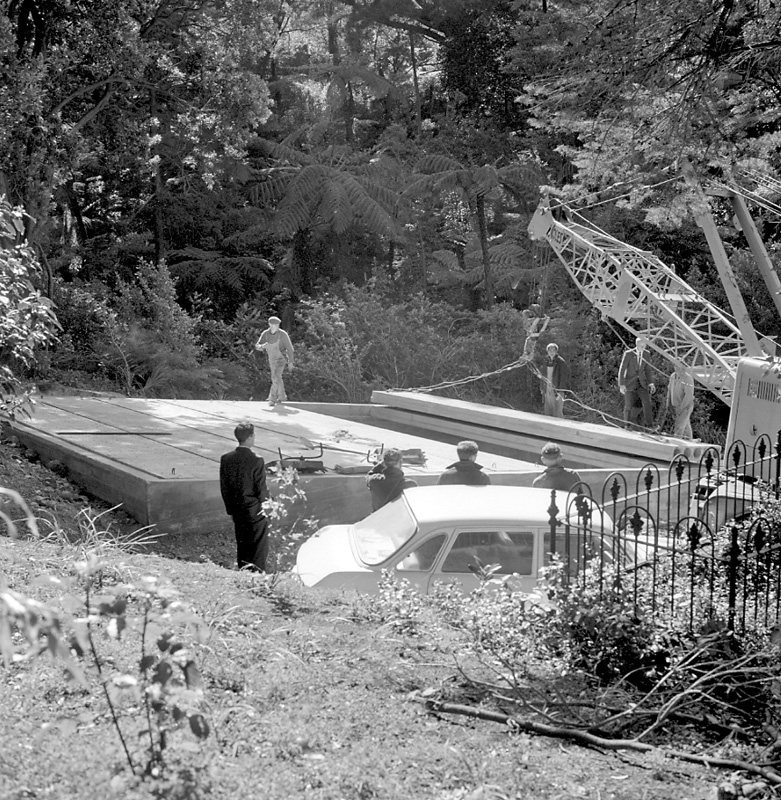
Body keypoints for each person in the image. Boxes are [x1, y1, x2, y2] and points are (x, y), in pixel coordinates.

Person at [219, 422, 270, 572]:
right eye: (253, 435)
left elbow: (225, 487)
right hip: (255, 509)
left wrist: (230, 510)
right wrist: (267, 506)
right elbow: (261, 488)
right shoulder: (257, 460)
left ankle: (243, 571)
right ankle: (258, 573)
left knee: (242, 543)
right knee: (259, 545)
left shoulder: (226, 458)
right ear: (249, 438)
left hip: (236, 508)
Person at [254, 315, 294, 406]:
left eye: (277, 325)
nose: (275, 326)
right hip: (272, 359)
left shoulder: (283, 334)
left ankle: (272, 399)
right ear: (269, 324)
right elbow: (257, 346)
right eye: (273, 324)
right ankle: (282, 396)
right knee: (277, 377)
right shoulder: (265, 334)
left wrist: (291, 361)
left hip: (281, 359)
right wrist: (261, 347)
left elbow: (290, 348)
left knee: (275, 376)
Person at [618, 335, 656, 429]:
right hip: (630, 383)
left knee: (646, 403)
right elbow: (622, 369)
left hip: (642, 383)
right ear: (637, 344)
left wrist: (651, 383)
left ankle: (649, 426)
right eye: (642, 346)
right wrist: (621, 385)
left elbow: (648, 369)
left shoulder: (647, 354)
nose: (643, 348)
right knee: (628, 405)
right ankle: (627, 425)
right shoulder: (629, 354)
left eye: (645, 346)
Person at [539, 342, 569, 417]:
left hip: (557, 391)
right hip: (547, 390)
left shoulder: (561, 362)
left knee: (557, 412)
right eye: (550, 350)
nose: (551, 352)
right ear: (547, 351)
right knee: (547, 411)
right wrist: (542, 388)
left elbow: (564, 378)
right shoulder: (545, 361)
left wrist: (560, 391)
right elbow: (543, 376)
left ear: (556, 351)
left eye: (553, 350)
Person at [666, 363, 695, 439]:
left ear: (683, 367)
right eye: (675, 365)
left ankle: (677, 443)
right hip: (675, 405)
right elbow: (669, 390)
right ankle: (689, 441)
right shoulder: (672, 376)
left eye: (678, 366)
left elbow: (688, 395)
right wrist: (668, 403)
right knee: (685, 428)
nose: (676, 367)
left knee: (679, 426)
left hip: (685, 406)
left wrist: (681, 408)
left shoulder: (688, 378)